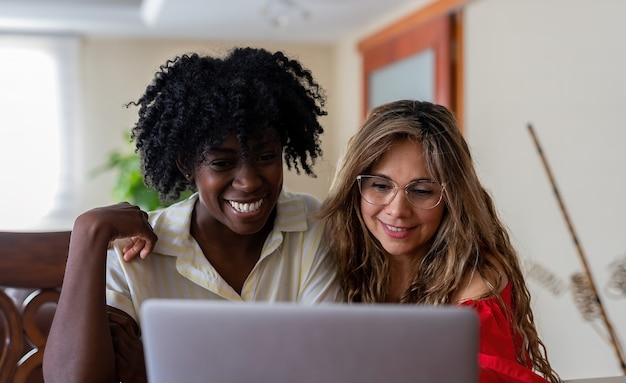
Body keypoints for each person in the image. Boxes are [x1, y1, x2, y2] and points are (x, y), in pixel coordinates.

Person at [43, 47, 343, 383]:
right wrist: (88, 232)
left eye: (266, 156)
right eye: (222, 163)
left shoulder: (312, 223)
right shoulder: (137, 253)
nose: (248, 181)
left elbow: (324, 365)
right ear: (187, 166)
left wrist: (161, 373)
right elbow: (71, 380)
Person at [319, 99, 561, 383]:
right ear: (354, 188)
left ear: (453, 199)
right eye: (380, 186)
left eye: (421, 191)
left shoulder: (478, 280)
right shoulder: (331, 252)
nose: (397, 210)